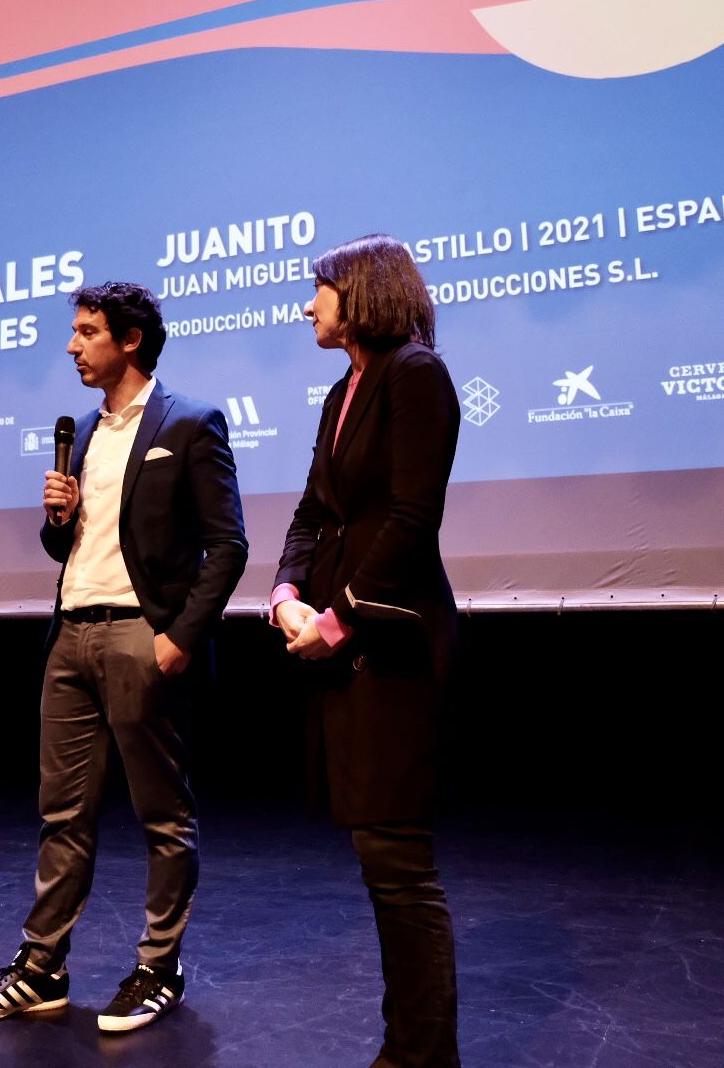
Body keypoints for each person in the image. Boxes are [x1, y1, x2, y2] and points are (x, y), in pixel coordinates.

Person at [0, 282, 247, 1033]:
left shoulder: (191, 421)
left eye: (87, 332)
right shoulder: (82, 429)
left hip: (140, 636)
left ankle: (158, 967)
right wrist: (58, 517)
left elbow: (228, 544)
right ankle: (41, 968)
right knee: (62, 816)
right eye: (75, 332)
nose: (74, 346)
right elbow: (66, 546)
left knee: (162, 815)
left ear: (131, 339)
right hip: (70, 636)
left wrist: (179, 635)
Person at [270, 234, 462, 1068]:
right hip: (344, 640)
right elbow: (316, 511)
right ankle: (406, 1049)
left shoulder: (416, 374)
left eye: (319, 290)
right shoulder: (341, 391)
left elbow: (414, 519)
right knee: (377, 859)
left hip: (393, 646)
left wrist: (337, 618)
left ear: (362, 292)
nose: (308, 306)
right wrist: (283, 593)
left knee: (397, 864)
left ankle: (422, 1057)